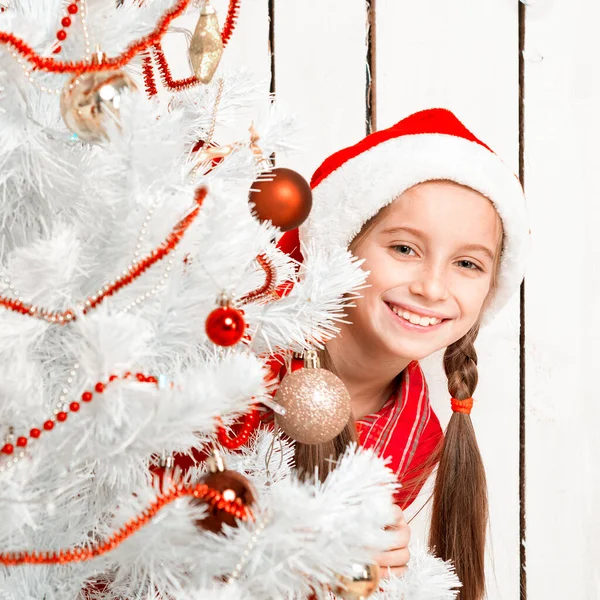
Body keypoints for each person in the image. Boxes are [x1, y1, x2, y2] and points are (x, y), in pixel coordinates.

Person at [274, 108, 530, 599]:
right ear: (342, 244)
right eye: (405, 249)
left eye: (467, 263)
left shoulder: (416, 436)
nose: (432, 288)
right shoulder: (239, 364)